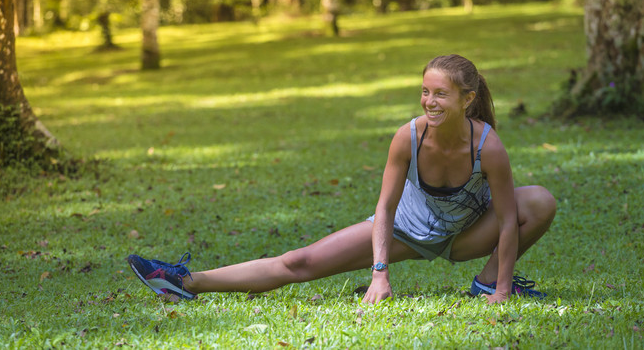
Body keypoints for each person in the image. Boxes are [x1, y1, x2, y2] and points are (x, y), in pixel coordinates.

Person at [127, 54, 556, 304]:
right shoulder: (408, 137)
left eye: (440, 94)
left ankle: (484, 285)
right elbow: (385, 209)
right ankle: (185, 281)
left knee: (538, 201)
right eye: (425, 91)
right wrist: (380, 272)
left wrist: (501, 291)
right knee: (299, 261)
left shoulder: (488, 146)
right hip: (406, 230)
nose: (429, 101)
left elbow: (504, 219)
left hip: (466, 236)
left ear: (468, 98)